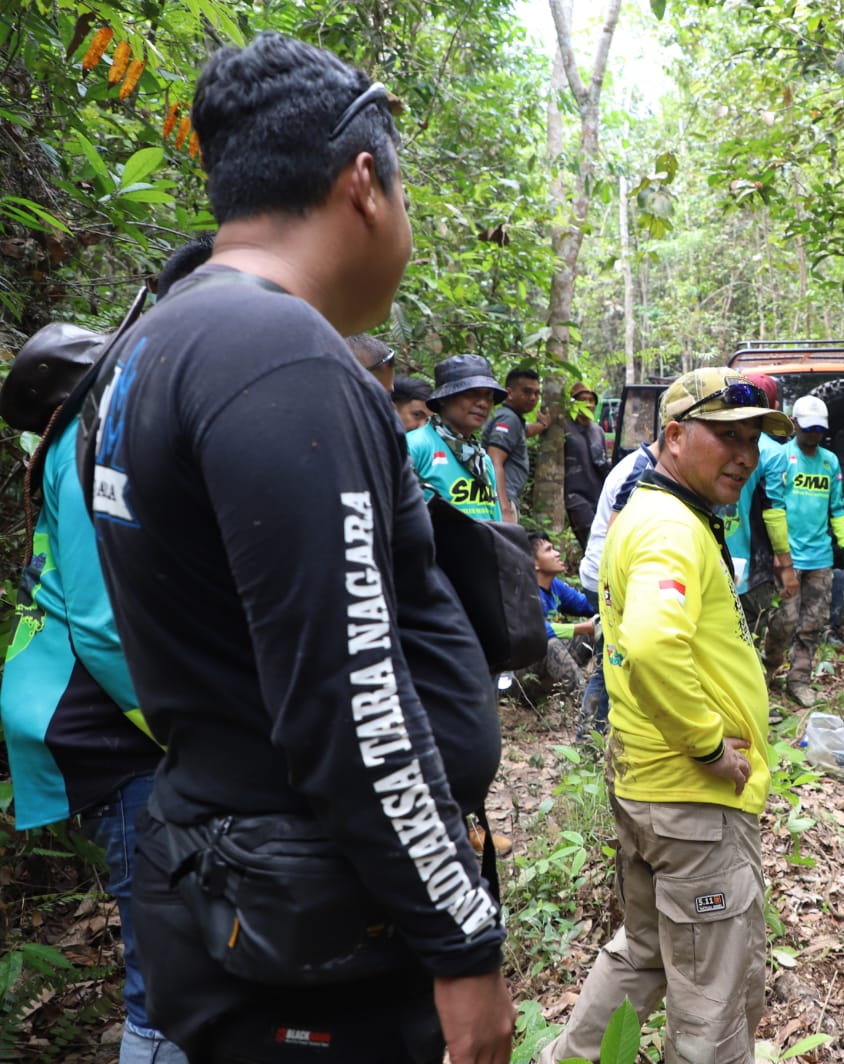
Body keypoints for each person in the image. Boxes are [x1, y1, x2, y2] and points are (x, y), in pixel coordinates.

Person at [82, 33, 513, 1063]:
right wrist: (461, 939)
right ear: (364, 181)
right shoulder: (282, 358)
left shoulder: (155, 341)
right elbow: (349, 693)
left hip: (233, 877)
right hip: (312, 924)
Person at [541, 368, 792, 1064]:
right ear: (675, 436)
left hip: (653, 788)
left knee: (645, 951)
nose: (743, 455)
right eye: (727, 437)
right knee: (712, 994)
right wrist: (710, 747)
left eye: (752, 440)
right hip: (692, 804)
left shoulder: (652, 513)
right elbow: (651, 643)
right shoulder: (668, 527)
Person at [0, 315, 189, 1064]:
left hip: (96, 714)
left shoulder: (89, 444)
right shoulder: (88, 452)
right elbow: (102, 624)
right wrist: (180, 729)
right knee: (166, 964)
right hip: (102, 722)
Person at [762, 395, 844, 709]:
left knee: (812, 624)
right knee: (785, 620)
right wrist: (779, 553)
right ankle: (767, 669)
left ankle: (799, 679)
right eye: (808, 428)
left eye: (819, 429)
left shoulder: (829, 462)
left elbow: (838, 508)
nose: (813, 434)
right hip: (789, 557)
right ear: (794, 425)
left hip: (820, 558)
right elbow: (773, 507)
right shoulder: (781, 458)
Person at [573, 432, 660, 741]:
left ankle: (597, 735)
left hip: (607, 572)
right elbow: (617, 529)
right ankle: (589, 740)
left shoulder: (644, 463)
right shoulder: (641, 469)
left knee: (612, 656)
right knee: (613, 659)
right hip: (607, 575)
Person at [722, 373, 798, 645]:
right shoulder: (773, 453)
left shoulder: (718, 444)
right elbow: (774, 511)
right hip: (751, 565)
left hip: (715, 555)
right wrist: (785, 563)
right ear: (773, 406)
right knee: (748, 637)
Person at [408, 353, 505, 522]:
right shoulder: (415, 446)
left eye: (488, 396)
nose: (483, 403)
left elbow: (495, 522)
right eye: (472, 394)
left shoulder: (482, 459)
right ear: (445, 398)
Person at [528, 532, 595, 698]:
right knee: (550, 644)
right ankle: (585, 706)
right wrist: (582, 627)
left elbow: (587, 605)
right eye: (549, 550)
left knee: (601, 626)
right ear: (535, 563)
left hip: (550, 671)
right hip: (524, 678)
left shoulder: (555, 586)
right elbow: (538, 631)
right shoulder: (524, 591)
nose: (557, 553)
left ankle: (606, 690)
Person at [485, 368, 553, 522]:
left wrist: (542, 426)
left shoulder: (511, 419)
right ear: (509, 393)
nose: (533, 398)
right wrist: (504, 509)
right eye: (527, 392)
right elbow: (494, 461)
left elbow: (524, 431)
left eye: (536, 393)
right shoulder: (508, 419)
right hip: (503, 498)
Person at [562, 382, 608, 548]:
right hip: (576, 496)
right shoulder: (565, 428)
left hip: (598, 495)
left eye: (591, 399)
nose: (589, 404)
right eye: (583, 399)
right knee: (591, 542)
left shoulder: (598, 431)